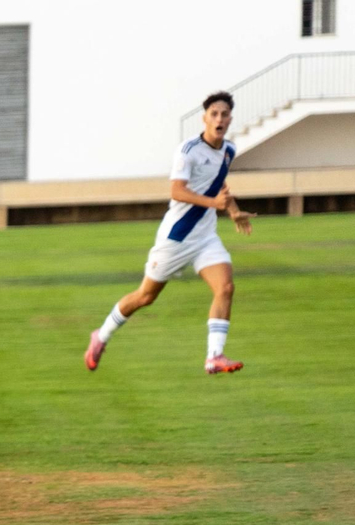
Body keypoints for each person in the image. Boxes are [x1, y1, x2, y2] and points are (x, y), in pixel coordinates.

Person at [85, 91, 255, 375]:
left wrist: (233, 211)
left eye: (224, 114)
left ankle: (214, 356)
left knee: (225, 287)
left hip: (205, 238)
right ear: (204, 118)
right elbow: (177, 190)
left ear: (230, 119)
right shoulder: (188, 151)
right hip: (176, 238)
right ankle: (100, 336)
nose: (219, 119)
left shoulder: (228, 150)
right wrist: (213, 204)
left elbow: (219, 183)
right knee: (145, 297)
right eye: (214, 114)